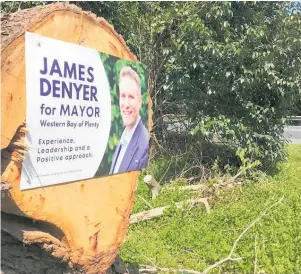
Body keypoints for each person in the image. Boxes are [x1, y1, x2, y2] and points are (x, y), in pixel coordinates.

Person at [109, 66, 149, 174]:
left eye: (131, 97)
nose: (125, 104)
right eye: (123, 96)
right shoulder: (124, 138)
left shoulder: (145, 144)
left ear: (140, 101)